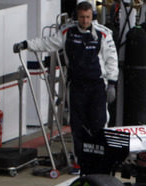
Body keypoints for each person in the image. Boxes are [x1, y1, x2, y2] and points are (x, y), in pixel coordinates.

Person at [13, 1, 118, 174]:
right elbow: (47, 43)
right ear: (77, 16)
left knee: (99, 124)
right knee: (77, 125)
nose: (85, 20)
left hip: (97, 86)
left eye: (88, 17)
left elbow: (111, 60)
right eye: (82, 17)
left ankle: (101, 162)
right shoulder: (67, 32)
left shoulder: (103, 34)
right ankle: (79, 163)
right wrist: (26, 44)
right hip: (76, 86)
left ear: (92, 16)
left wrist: (112, 84)